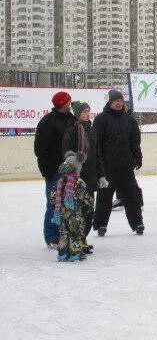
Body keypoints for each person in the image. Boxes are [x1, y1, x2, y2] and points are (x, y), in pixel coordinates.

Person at [93, 89, 145, 236]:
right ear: (110, 102)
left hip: (125, 165)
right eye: (116, 101)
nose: (119, 104)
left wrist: (137, 157)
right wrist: (98, 165)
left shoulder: (129, 120)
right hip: (107, 166)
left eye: (121, 102)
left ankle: (137, 223)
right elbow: (96, 144)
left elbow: (135, 142)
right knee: (105, 196)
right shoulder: (101, 119)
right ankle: (100, 225)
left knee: (132, 195)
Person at [62, 101, 108, 253]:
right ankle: (77, 241)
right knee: (78, 213)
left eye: (88, 111)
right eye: (84, 112)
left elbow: (98, 155)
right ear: (77, 114)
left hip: (91, 177)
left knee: (89, 212)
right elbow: (67, 152)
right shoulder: (72, 130)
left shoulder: (91, 130)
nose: (87, 114)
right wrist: (75, 161)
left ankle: (82, 238)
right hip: (78, 179)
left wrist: (101, 175)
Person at [34, 91, 76, 247]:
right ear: (62, 103)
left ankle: (68, 233)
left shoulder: (73, 119)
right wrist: (46, 170)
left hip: (71, 169)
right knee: (54, 204)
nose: (70, 103)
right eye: (68, 101)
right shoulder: (47, 122)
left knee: (70, 203)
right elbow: (40, 148)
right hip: (54, 170)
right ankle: (51, 236)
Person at [51, 152, 94, 262]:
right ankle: (75, 253)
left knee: (64, 233)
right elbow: (85, 196)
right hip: (75, 214)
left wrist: (55, 206)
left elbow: (53, 196)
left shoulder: (59, 182)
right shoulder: (77, 182)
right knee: (75, 233)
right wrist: (90, 205)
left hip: (61, 214)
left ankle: (62, 253)